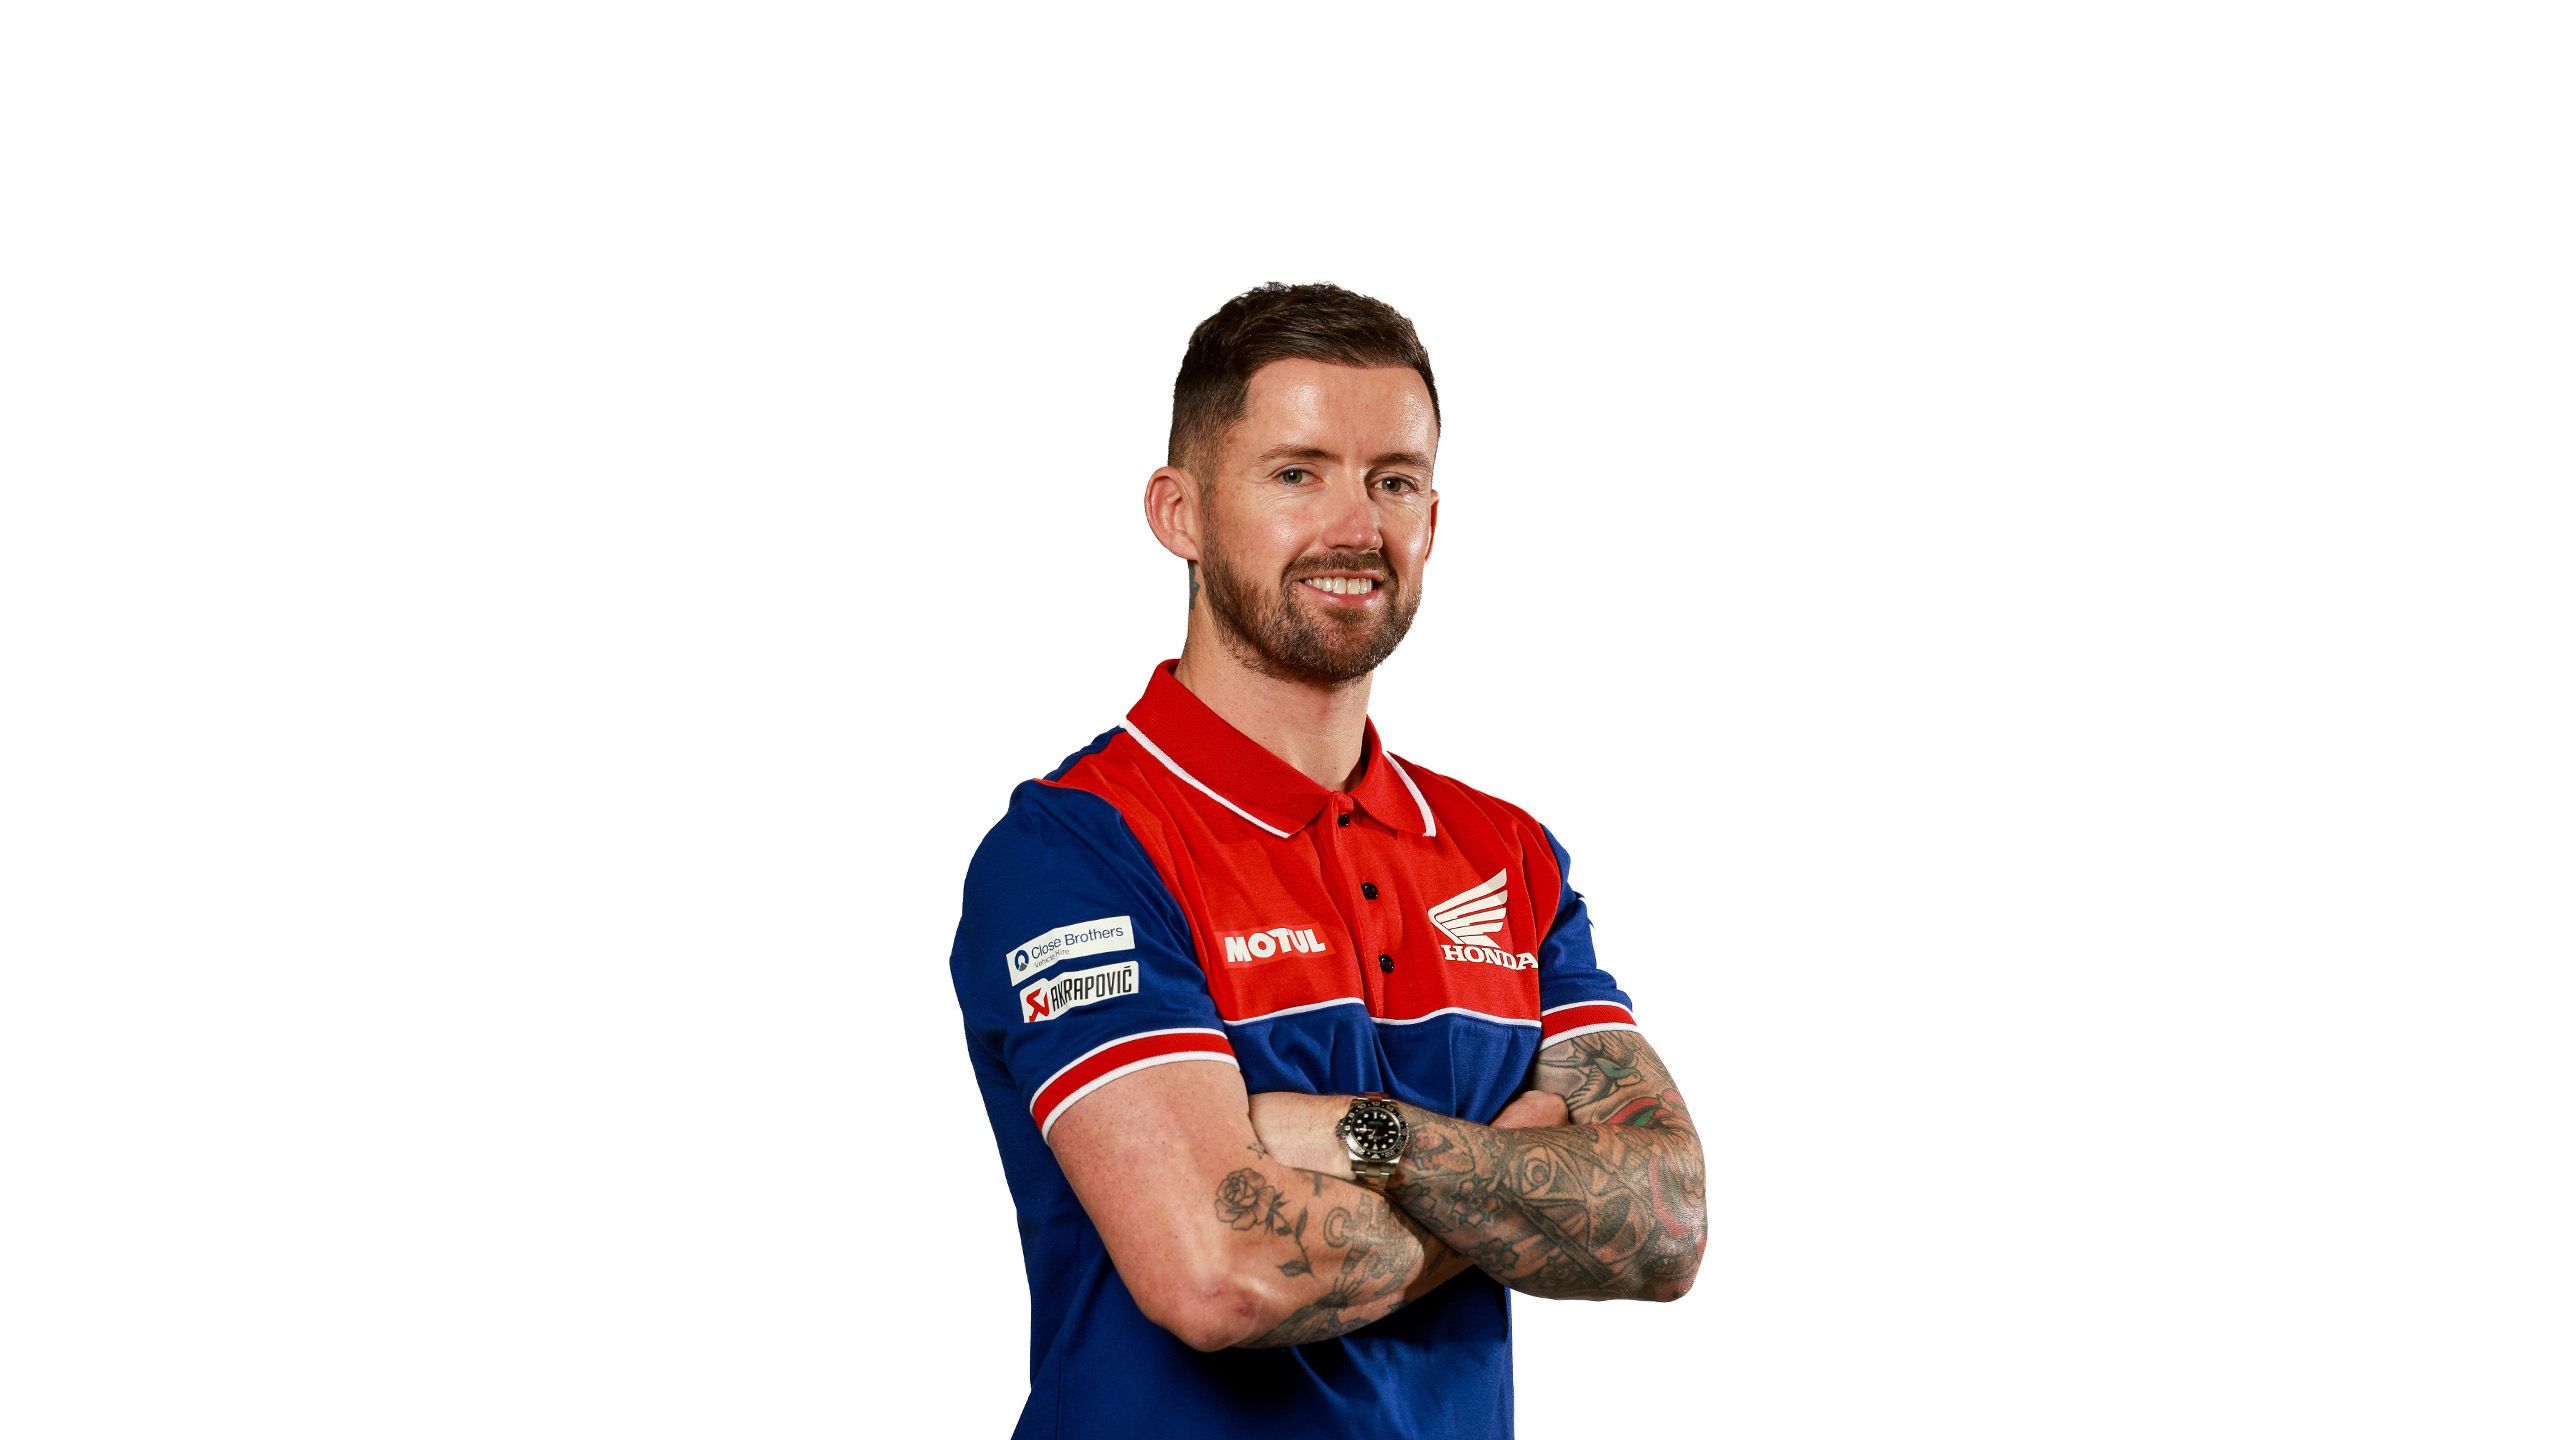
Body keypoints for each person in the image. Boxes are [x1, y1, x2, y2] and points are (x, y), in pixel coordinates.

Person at [946, 282, 1706, 1439]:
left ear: (1432, 519)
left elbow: (1664, 1222)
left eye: (1392, 480)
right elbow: (1220, 1274)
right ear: (1180, 513)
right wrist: (1511, 1190)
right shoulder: (1077, 850)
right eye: (1297, 473)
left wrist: (1355, 1134)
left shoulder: (1507, 857)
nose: (1355, 528)